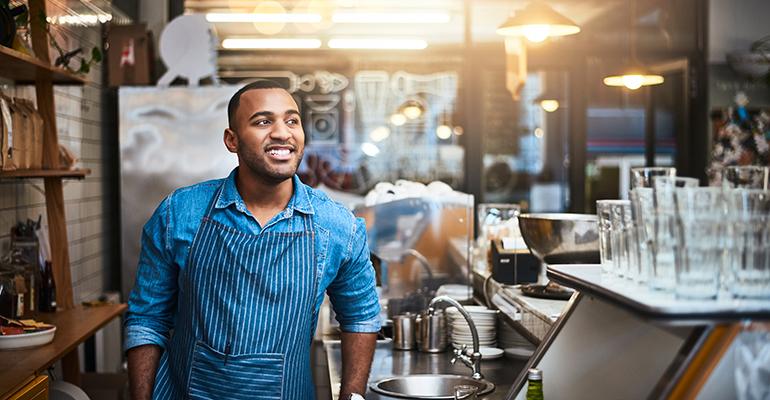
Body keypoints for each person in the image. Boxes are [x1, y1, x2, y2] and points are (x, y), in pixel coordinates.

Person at [124, 80, 380, 400]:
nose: (282, 132)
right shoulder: (180, 213)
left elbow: (361, 316)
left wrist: (352, 395)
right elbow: (147, 318)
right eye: (262, 121)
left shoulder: (339, 227)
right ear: (232, 140)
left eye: (292, 120)